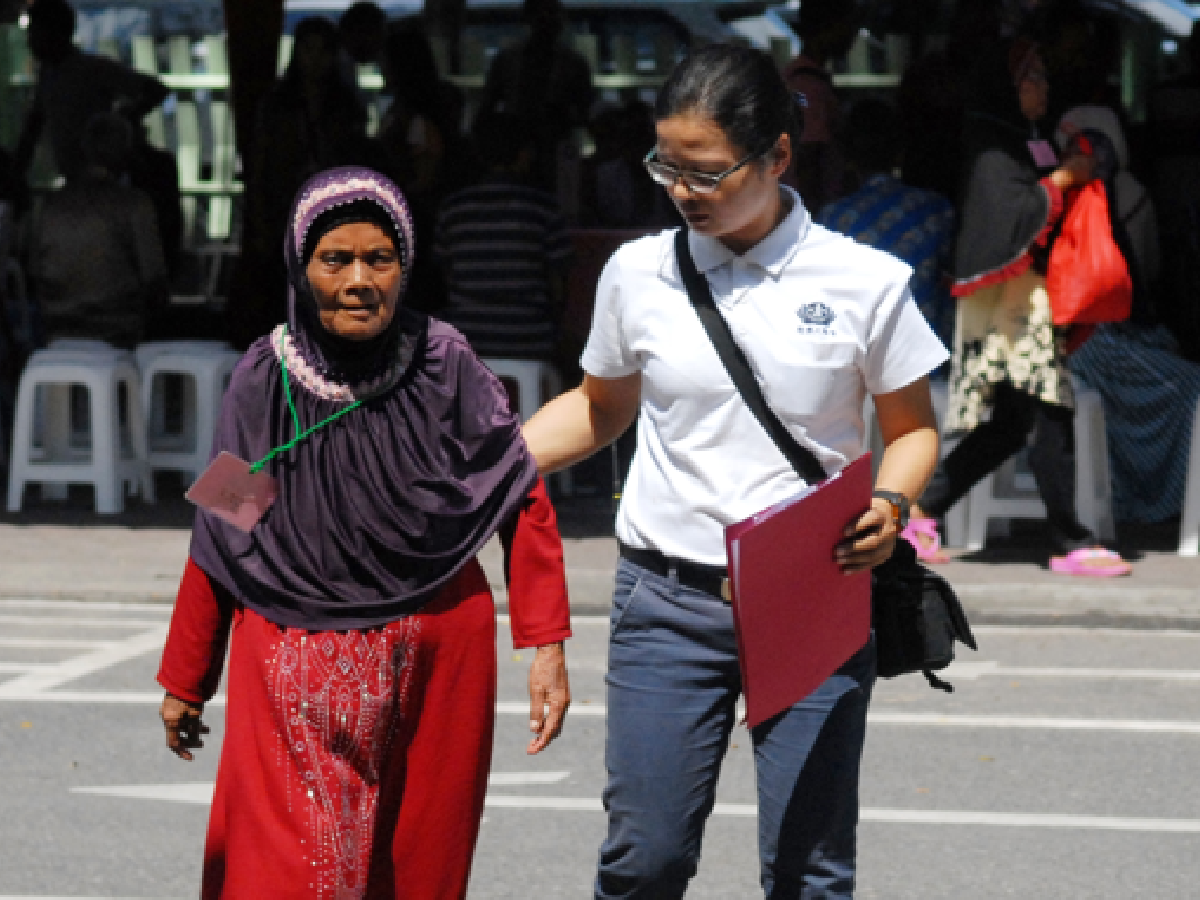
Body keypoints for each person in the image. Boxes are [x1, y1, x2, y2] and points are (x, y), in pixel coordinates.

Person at [523, 45, 948, 898]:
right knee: (644, 860)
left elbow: (911, 432)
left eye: (707, 172)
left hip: (813, 594)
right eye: (667, 167)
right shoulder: (636, 273)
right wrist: (476, 466)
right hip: (664, 600)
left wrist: (893, 504)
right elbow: (601, 407)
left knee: (808, 872)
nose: (683, 190)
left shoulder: (865, 282)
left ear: (778, 157)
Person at [157, 167, 573, 897]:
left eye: (379, 260)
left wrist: (545, 645)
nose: (358, 281)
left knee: (416, 872)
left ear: (405, 268)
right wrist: (187, 677)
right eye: (335, 261)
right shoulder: (264, 380)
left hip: (436, 661)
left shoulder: (445, 364)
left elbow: (518, 487)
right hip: (290, 662)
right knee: (287, 877)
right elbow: (223, 533)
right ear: (300, 268)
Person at [906, 38, 1132, 576]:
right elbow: (1007, 211)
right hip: (1008, 301)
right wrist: (1062, 180)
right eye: (1033, 78)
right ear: (1009, 86)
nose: (1043, 88)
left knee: (1011, 424)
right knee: (1050, 409)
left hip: (1028, 297)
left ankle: (922, 510)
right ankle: (1070, 541)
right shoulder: (992, 143)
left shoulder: (1028, 139)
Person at [1056, 105, 1200, 524]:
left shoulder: (1094, 195)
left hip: (1098, 340)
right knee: (1190, 387)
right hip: (1092, 341)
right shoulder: (1080, 197)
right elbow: (1144, 272)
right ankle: (1162, 504)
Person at [819, 98, 957, 357]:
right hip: (923, 356)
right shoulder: (935, 210)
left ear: (848, 157)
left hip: (855, 358)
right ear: (899, 153)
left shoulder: (832, 218)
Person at [433, 111, 572, 361]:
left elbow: (446, 276)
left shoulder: (453, 209)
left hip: (466, 339)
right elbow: (559, 284)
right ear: (524, 155)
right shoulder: (542, 208)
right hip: (530, 338)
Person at [29, 113, 168, 349]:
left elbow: (33, 270)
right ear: (124, 153)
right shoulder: (134, 204)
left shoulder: (50, 205)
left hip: (56, 324)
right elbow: (153, 277)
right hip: (118, 329)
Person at [14, 0, 168, 185]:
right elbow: (35, 122)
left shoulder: (90, 70)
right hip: (82, 173)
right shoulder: (53, 73)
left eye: (34, 32)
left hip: (99, 175)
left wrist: (125, 119)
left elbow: (155, 89)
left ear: (54, 33)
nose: (29, 41)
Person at [477, 0, 594, 191]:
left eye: (551, 15)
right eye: (542, 15)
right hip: (526, 146)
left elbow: (585, 111)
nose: (547, 21)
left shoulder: (572, 63)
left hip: (550, 147)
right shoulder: (571, 63)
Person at [781, 0, 859, 212]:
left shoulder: (797, 78)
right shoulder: (809, 86)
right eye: (848, 25)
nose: (852, 34)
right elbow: (809, 159)